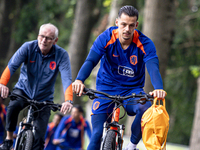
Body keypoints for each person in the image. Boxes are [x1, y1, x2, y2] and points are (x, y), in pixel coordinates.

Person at [72, 5, 167, 150]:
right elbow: (91, 61)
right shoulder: (106, 37)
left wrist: (159, 88)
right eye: (123, 24)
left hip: (132, 90)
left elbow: (153, 68)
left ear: (136, 25)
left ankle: (132, 145)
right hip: (106, 88)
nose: (127, 29)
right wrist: (79, 79)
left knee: (146, 108)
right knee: (96, 135)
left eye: (131, 25)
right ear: (117, 22)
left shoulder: (145, 43)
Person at [0, 23, 73, 150]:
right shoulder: (28, 47)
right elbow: (12, 66)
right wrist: (2, 83)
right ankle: (9, 139)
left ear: (55, 41)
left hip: (44, 97)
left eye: (48, 38)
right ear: (38, 36)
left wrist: (68, 99)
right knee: (13, 106)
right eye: (42, 36)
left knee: (39, 140)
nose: (44, 40)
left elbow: (66, 78)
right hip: (23, 89)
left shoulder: (61, 55)